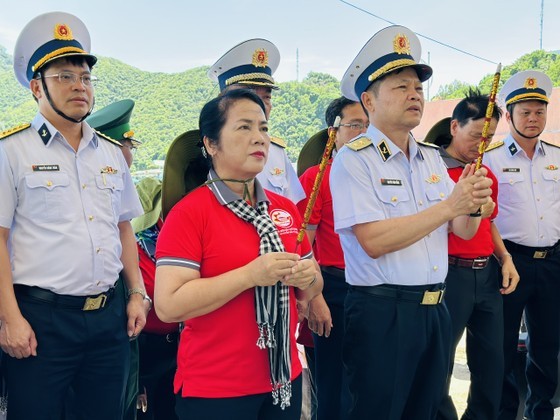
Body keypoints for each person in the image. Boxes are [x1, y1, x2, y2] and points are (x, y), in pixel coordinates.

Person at [331, 25, 493, 419]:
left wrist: (471, 203)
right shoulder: (355, 159)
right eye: (401, 87)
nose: (415, 95)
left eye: (418, 88)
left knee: (426, 411)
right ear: (368, 100)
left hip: (434, 310)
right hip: (383, 312)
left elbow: (461, 231)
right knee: (378, 411)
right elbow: (373, 240)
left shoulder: (430, 158)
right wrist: (449, 206)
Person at [0, 12, 147, 420]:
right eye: (64, 76)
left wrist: (137, 293)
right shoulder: (12, 152)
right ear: (36, 87)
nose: (79, 86)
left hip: (107, 320)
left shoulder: (110, 153)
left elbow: (124, 228)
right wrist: (9, 319)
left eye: (85, 77)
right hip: (41, 321)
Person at [154, 88, 323, 420]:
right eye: (244, 127)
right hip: (216, 389)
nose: (259, 138)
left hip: (281, 380)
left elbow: (312, 284)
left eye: (263, 128)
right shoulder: (190, 213)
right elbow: (168, 304)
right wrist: (250, 276)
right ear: (211, 144)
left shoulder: (284, 209)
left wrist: (308, 278)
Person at [424, 89, 520, 420]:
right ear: (454, 126)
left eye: (490, 137)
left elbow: (487, 225)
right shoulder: (431, 169)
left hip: (487, 275)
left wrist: (505, 258)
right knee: (440, 364)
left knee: (492, 363)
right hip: (449, 275)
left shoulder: (485, 172)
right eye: (476, 135)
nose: (482, 145)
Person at [483, 70, 560, 420]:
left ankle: (541, 412)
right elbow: (487, 217)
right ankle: (505, 413)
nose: (533, 118)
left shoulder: (557, 156)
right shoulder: (491, 159)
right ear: (510, 113)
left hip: (553, 262)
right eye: (525, 111)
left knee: (546, 345)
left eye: (539, 111)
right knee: (502, 346)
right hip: (508, 262)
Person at [296, 96, 368, 420]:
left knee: (368, 384)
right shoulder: (315, 178)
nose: (363, 131)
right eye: (354, 125)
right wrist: (315, 297)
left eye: (367, 125)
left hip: (373, 289)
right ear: (333, 131)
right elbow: (302, 245)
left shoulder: (376, 174)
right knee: (333, 387)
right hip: (334, 289)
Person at [86, 99, 151, 420]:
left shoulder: (120, 186)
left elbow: (125, 232)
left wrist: (137, 293)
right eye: (126, 145)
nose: (129, 153)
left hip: (119, 300)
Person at [208, 38, 305, 204]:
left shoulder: (277, 152)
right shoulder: (206, 150)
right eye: (249, 96)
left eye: (266, 97)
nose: (260, 106)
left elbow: (293, 214)